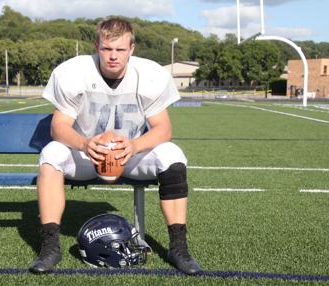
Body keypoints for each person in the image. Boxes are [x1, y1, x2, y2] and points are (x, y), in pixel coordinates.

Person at [29, 17, 201, 275]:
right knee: (52, 153)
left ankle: (179, 247)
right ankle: (50, 245)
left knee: (172, 155)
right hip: (85, 155)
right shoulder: (73, 72)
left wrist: (134, 145)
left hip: (130, 154)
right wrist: (85, 143)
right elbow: (59, 127)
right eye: (107, 49)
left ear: (132, 49)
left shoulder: (150, 74)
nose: (113, 56)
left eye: (120, 49)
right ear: (97, 46)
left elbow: (163, 129)